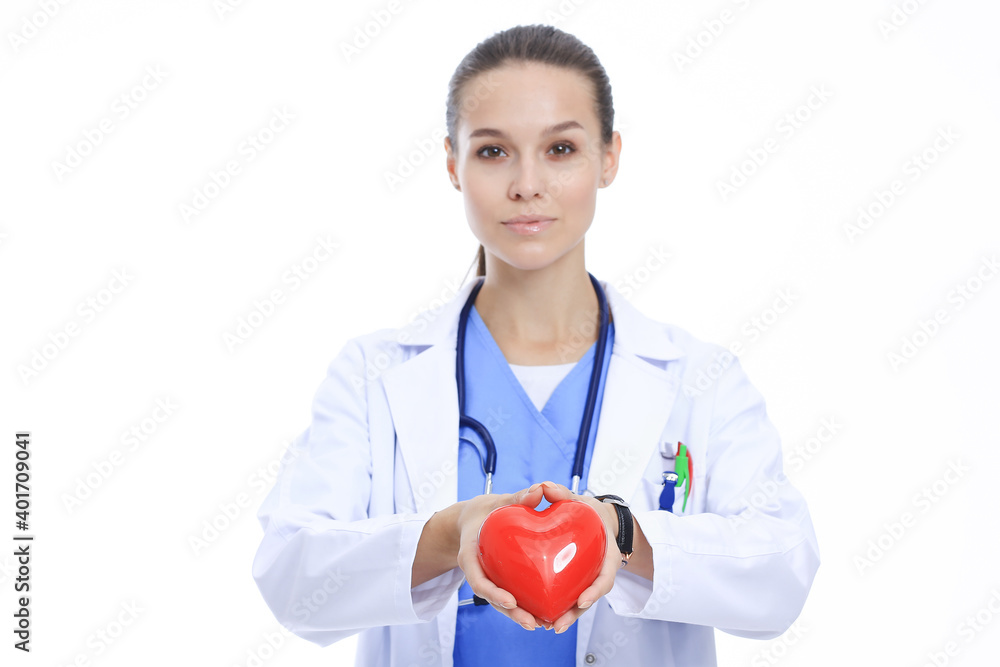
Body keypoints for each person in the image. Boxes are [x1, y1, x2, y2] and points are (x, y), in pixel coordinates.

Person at [252, 23, 820, 667]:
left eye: (560, 149)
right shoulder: (373, 374)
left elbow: (783, 575)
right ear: (452, 163)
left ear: (609, 157)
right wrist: (448, 534)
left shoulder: (700, 378)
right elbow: (290, 573)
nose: (527, 183)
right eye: (493, 151)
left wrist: (622, 533)